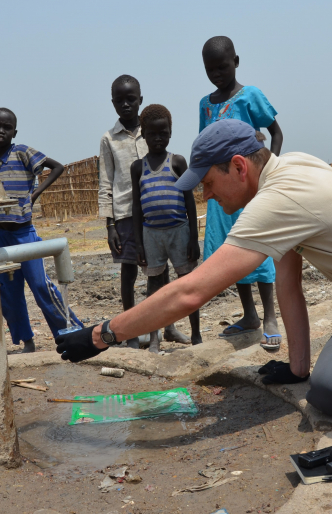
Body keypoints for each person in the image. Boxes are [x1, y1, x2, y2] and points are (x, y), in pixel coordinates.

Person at [57, 119, 332, 494]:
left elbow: (191, 293)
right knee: (330, 393)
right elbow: (288, 282)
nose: (207, 195)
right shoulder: (290, 167)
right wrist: (297, 369)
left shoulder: (279, 199)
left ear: (239, 167)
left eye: (209, 182)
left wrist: (103, 334)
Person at [199, 35, 283, 351]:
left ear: (236, 62)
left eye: (222, 67)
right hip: (224, 194)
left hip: (251, 189)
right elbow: (205, 149)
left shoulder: (250, 96)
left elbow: (275, 133)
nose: (217, 74)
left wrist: (268, 174)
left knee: (257, 245)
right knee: (232, 248)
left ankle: (270, 316)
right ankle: (250, 315)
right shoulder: (205, 104)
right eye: (210, 69)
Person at [98, 75, 189, 349]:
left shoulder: (152, 128)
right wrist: (110, 225)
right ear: (112, 102)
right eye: (120, 100)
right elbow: (106, 182)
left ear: (140, 99)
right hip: (126, 214)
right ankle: (130, 333)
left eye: (131, 99)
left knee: (161, 273)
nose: (126, 104)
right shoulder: (109, 139)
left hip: (155, 214)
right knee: (129, 272)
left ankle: (168, 327)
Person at [0, 107, 79, 353]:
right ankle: (26, 341)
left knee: (40, 286)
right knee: (9, 293)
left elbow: (57, 167)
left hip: (24, 234)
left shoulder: (22, 152)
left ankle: (72, 332)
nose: (1, 131)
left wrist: (36, 193)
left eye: (7, 127)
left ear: (14, 132)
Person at [131, 104, 201, 353]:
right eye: (152, 134)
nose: (158, 138)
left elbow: (190, 202)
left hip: (179, 231)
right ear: (143, 134)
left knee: (187, 285)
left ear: (171, 132)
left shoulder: (178, 162)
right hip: (151, 235)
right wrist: (139, 244)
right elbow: (136, 207)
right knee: (154, 288)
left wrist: (194, 238)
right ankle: (154, 338)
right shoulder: (138, 167)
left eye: (163, 133)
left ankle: (196, 335)